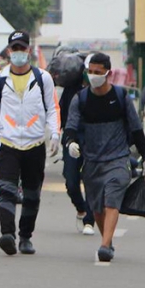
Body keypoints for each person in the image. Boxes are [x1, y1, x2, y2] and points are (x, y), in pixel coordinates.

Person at [64, 53, 145, 263]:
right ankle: (108, 238)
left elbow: (136, 128)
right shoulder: (81, 99)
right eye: (90, 72)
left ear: (108, 73)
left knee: (112, 200)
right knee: (96, 209)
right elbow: (71, 126)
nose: (93, 76)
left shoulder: (121, 97)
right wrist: (71, 143)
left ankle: (105, 245)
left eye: (98, 72)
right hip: (92, 161)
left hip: (118, 159)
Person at [0, 31, 59, 256]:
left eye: (22, 48)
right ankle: (7, 234)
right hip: (7, 143)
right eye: (14, 49)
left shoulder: (43, 78)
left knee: (31, 194)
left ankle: (26, 236)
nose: (18, 53)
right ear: (9, 52)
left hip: (35, 143)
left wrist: (55, 134)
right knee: (6, 190)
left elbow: (52, 108)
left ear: (28, 50)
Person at [59, 56, 94, 236]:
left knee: (91, 179)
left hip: (94, 139)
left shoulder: (103, 92)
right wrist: (63, 136)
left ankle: (90, 219)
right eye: (90, 71)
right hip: (72, 137)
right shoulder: (71, 90)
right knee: (71, 180)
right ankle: (81, 208)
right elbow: (62, 113)